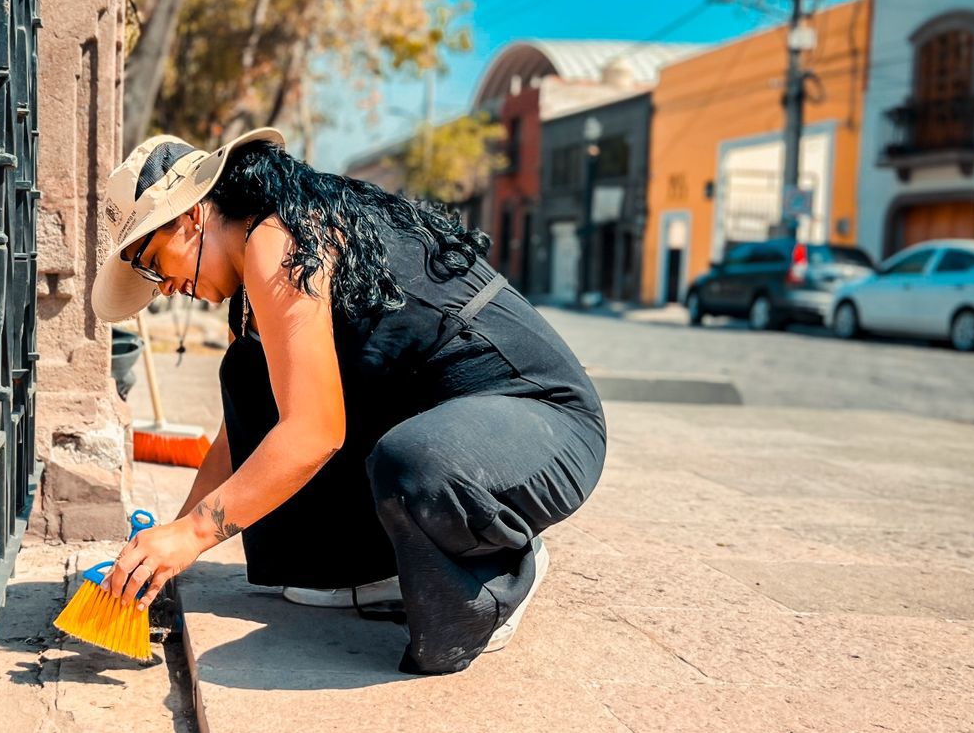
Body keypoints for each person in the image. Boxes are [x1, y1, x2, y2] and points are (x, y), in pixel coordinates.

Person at [89, 129, 606, 675]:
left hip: (544, 422)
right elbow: (236, 439)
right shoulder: (258, 266)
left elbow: (313, 431)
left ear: (191, 218)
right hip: (445, 416)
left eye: (150, 258)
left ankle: (495, 568)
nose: (161, 285)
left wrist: (194, 535)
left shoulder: (281, 235)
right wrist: (169, 548)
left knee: (415, 465)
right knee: (247, 373)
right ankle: (370, 568)